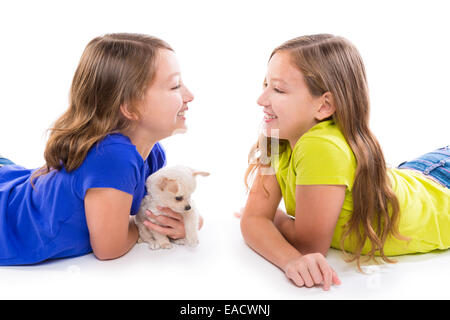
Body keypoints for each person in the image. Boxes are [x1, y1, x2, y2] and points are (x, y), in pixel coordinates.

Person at [240, 34, 450, 291]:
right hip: (420, 174)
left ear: (324, 105)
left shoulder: (320, 146)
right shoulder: (276, 135)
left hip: (442, 192)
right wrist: (287, 252)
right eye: (265, 84)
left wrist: (278, 218)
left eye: (278, 89)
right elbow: (253, 219)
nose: (261, 99)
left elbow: (308, 245)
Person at [0, 33, 201, 266]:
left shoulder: (153, 153)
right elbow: (109, 247)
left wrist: (186, 222)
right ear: (130, 107)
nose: (190, 95)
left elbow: (155, 207)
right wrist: (144, 224)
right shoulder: (113, 157)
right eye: (175, 86)